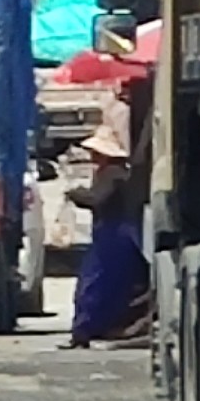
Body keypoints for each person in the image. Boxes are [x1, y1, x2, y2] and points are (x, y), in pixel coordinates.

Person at [64, 91, 152, 348]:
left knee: (95, 286)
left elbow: (97, 198)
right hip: (116, 236)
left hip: (112, 238)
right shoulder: (116, 173)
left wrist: (75, 194)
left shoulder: (112, 173)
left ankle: (84, 332)